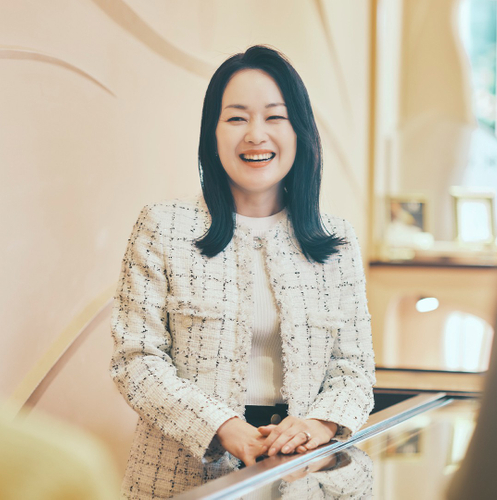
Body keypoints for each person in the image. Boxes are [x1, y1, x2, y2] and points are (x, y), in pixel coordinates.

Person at [110, 45, 376, 499]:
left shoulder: (338, 239)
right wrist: (223, 426)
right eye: (236, 118)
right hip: (181, 478)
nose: (256, 134)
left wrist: (319, 423)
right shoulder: (163, 226)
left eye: (275, 117)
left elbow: (354, 369)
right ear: (212, 133)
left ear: (299, 131)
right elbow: (135, 360)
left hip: (303, 474)